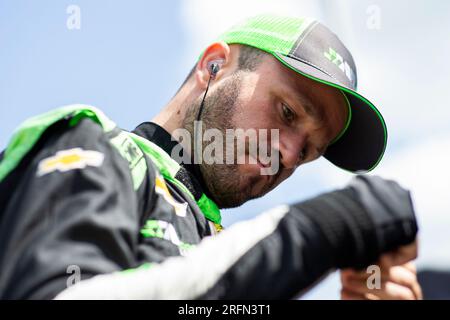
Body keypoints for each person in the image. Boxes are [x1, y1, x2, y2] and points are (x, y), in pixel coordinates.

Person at [0, 14, 421, 299]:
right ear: (214, 65)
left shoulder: (217, 248)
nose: (291, 154)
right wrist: (314, 232)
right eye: (287, 112)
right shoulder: (95, 148)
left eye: (312, 150)